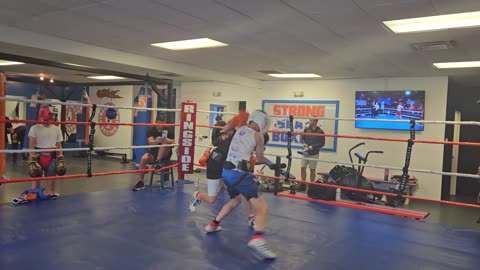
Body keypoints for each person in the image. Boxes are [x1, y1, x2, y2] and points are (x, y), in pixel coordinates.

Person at [204, 110, 277, 259]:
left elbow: (230, 125)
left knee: (236, 200)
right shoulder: (259, 136)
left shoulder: (239, 128)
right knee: (262, 207)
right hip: (240, 174)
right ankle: (258, 239)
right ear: (263, 123)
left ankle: (213, 224)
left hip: (226, 173)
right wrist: (268, 161)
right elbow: (260, 159)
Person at [190, 127, 256, 228]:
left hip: (226, 169)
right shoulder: (237, 141)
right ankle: (197, 195)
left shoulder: (240, 141)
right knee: (212, 200)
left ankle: (251, 217)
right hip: (215, 169)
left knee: (242, 193)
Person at [13, 105, 65, 203]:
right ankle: (33, 199)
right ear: (44, 114)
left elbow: (59, 145)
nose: (53, 117)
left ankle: (49, 201)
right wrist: (32, 159)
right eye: (50, 114)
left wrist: (61, 158)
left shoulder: (57, 129)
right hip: (37, 156)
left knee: (51, 183)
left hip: (51, 156)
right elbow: (31, 145)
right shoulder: (35, 128)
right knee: (36, 182)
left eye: (54, 115)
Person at [132, 114, 176, 191]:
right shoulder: (151, 130)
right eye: (157, 123)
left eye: (161, 124)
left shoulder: (169, 129)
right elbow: (150, 142)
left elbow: (174, 143)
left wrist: (167, 140)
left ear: (164, 123)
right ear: (155, 122)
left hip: (166, 153)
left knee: (164, 144)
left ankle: (158, 162)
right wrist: (157, 141)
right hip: (154, 153)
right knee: (144, 158)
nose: (159, 126)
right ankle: (140, 182)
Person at [300, 117, 325, 190]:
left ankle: (311, 185)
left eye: (311, 120)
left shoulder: (320, 132)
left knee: (312, 170)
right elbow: (302, 139)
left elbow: (322, 143)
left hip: (314, 154)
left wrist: (313, 147)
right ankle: (303, 184)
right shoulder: (306, 129)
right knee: (302, 168)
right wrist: (304, 143)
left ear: (315, 121)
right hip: (305, 152)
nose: (309, 121)